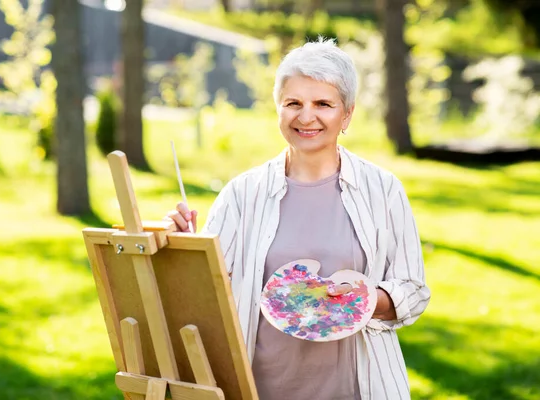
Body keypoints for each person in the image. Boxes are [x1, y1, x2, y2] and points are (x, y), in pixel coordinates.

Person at [166, 38, 430, 400]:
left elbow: (413, 288)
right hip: (262, 387)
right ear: (279, 109)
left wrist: (368, 299)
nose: (306, 117)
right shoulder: (242, 194)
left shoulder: (382, 189)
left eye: (323, 104)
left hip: (358, 387)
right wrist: (184, 248)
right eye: (294, 103)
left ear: (347, 114)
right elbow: (207, 295)